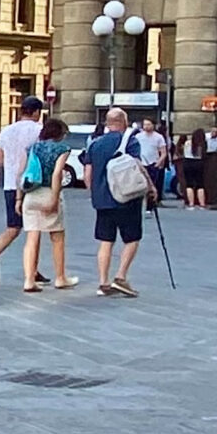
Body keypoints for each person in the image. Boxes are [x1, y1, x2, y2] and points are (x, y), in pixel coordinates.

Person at [82, 107, 148, 298]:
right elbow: (138, 167)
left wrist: (94, 193)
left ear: (107, 123)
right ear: (123, 122)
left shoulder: (95, 144)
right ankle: (120, 276)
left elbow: (88, 173)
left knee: (105, 241)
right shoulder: (130, 141)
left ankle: (103, 282)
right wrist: (150, 188)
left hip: (103, 200)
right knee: (132, 239)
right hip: (127, 198)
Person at [0, 95, 46, 287]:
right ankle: (32, 270)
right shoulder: (40, 131)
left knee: (13, 227)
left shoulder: (7, 130)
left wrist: (11, 167)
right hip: (33, 184)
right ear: (36, 112)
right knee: (35, 229)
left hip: (11, 184)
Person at [16, 115, 79, 293]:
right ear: (59, 133)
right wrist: (54, 198)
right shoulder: (62, 149)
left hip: (30, 194)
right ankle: (60, 277)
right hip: (48, 192)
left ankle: (29, 280)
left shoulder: (32, 148)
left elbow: (21, 172)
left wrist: (18, 198)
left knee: (32, 238)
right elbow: (57, 174)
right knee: (57, 237)